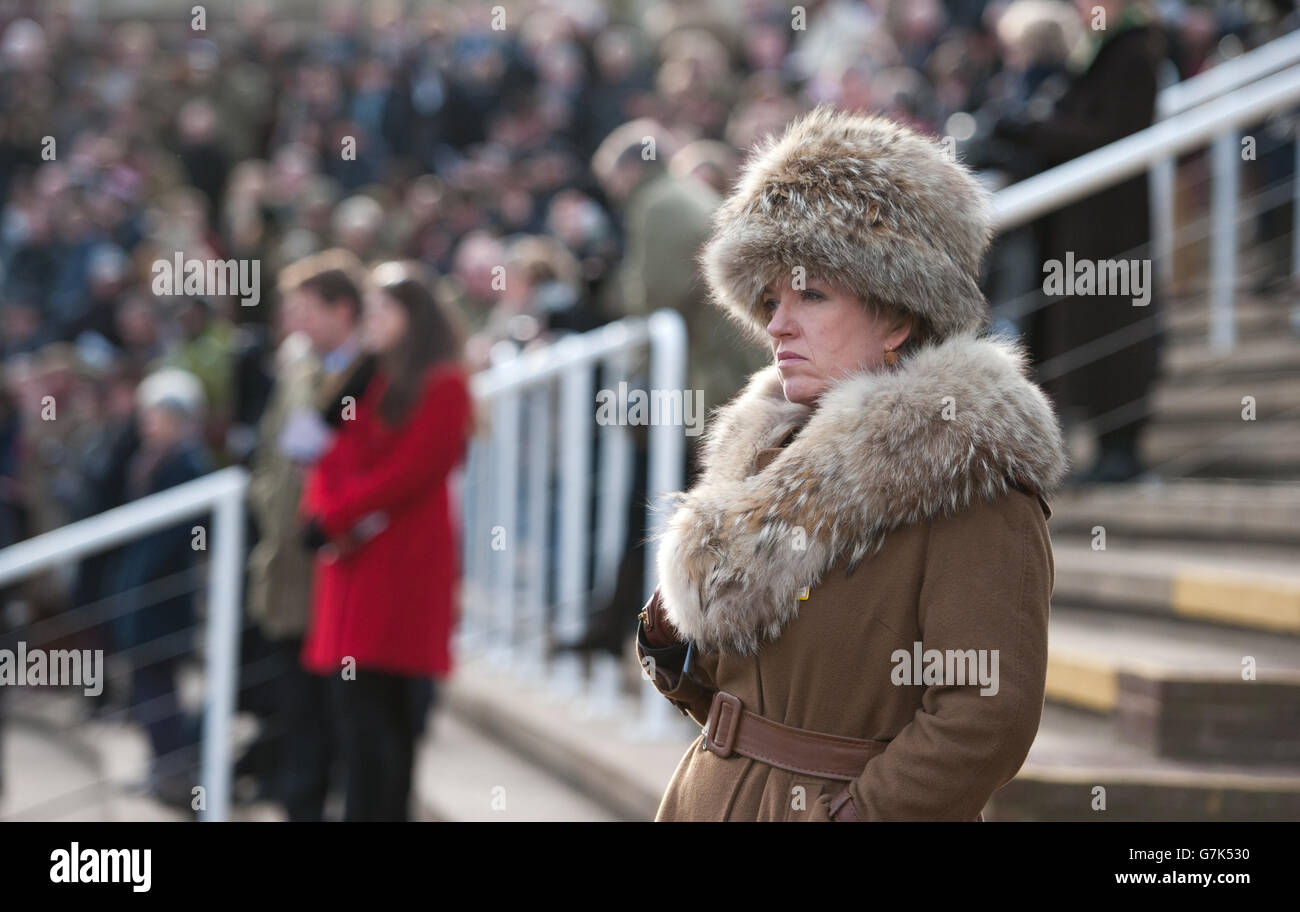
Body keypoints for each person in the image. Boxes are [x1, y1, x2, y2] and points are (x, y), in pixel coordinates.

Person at [636, 107, 1068, 821]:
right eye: (770, 298)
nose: (778, 322)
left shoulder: (972, 475)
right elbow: (737, 685)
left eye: (810, 293)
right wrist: (672, 634)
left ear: (897, 315)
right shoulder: (768, 451)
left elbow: (987, 715)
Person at [299, 261, 472, 822]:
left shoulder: (443, 383)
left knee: (384, 725)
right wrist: (326, 512)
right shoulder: (367, 377)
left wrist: (335, 517)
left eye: (382, 311)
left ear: (413, 317)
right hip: (352, 565)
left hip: (400, 571)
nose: (370, 321)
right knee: (357, 721)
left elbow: (412, 470)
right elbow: (322, 453)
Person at [994, 0, 1167, 483]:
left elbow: (1111, 132)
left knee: (1116, 332)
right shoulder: (1098, 52)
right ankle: (1103, 448)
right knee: (1082, 335)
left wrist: (1034, 131)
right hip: (1080, 229)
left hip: (1115, 230)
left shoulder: (1132, 51)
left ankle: (1121, 450)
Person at [244, 249, 366, 820]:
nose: (295, 323)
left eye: (306, 310)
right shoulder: (298, 369)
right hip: (291, 578)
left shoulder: (371, 373)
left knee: (343, 729)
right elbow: (273, 459)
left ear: (343, 310)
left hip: (345, 583)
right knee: (299, 721)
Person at [108, 368, 212, 807]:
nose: (148, 424)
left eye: (157, 415)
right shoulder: (153, 459)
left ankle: (174, 772)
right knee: (149, 689)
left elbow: (179, 538)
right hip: (143, 597)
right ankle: (164, 768)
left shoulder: (187, 464)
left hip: (163, 601)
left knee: (158, 689)